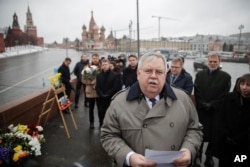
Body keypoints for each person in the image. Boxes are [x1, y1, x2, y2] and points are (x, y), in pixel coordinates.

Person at [100, 52, 202, 167]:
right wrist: (128, 156)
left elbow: (194, 129)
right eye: (148, 71)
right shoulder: (119, 102)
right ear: (138, 74)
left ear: (165, 75)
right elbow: (108, 135)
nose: (153, 76)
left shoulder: (183, 99)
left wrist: (188, 149)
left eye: (159, 72)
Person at [194, 54, 231, 167]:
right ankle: (198, 155)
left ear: (219, 62)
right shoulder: (200, 75)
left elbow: (224, 94)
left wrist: (212, 104)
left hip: (215, 112)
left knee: (213, 136)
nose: (212, 63)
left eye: (215, 61)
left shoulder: (226, 77)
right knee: (200, 134)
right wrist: (202, 104)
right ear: (207, 61)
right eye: (211, 61)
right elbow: (197, 91)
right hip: (202, 110)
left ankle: (209, 157)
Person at [212, 73, 250, 167]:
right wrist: (225, 135)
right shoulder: (228, 98)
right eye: (242, 84)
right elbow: (220, 118)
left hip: (243, 146)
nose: (244, 87)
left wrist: (239, 139)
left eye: (248, 85)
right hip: (226, 143)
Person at [95, 59, 120, 127]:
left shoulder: (115, 75)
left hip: (110, 98)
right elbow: (97, 87)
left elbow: (115, 87)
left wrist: (107, 94)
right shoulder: (98, 75)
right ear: (101, 66)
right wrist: (101, 94)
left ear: (109, 65)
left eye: (106, 64)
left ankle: (110, 125)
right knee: (101, 112)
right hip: (101, 98)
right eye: (103, 65)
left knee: (110, 113)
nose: (104, 66)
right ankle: (101, 124)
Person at [82, 53, 101, 129]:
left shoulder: (101, 67)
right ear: (91, 59)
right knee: (91, 108)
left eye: (96, 58)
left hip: (99, 91)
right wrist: (91, 82)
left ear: (98, 59)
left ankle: (101, 122)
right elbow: (83, 80)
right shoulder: (87, 67)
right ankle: (91, 122)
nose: (95, 59)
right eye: (94, 58)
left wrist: (97, 82)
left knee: (100, 108)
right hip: (90, 90)